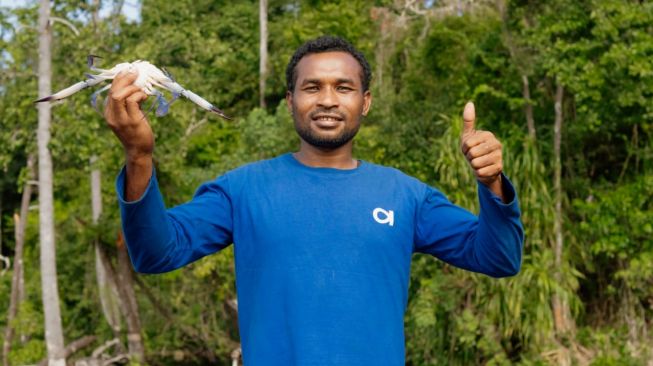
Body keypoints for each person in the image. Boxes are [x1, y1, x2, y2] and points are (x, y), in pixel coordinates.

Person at [105, 36, 524, 365]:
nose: (327, 99)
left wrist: (492, 185)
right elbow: (155, 253)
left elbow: (499, 258)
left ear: (366, 102)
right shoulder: (243, 190)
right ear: (290, 102)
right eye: (312, 87)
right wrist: (139, 156)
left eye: (344, 87)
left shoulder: (406, 195)